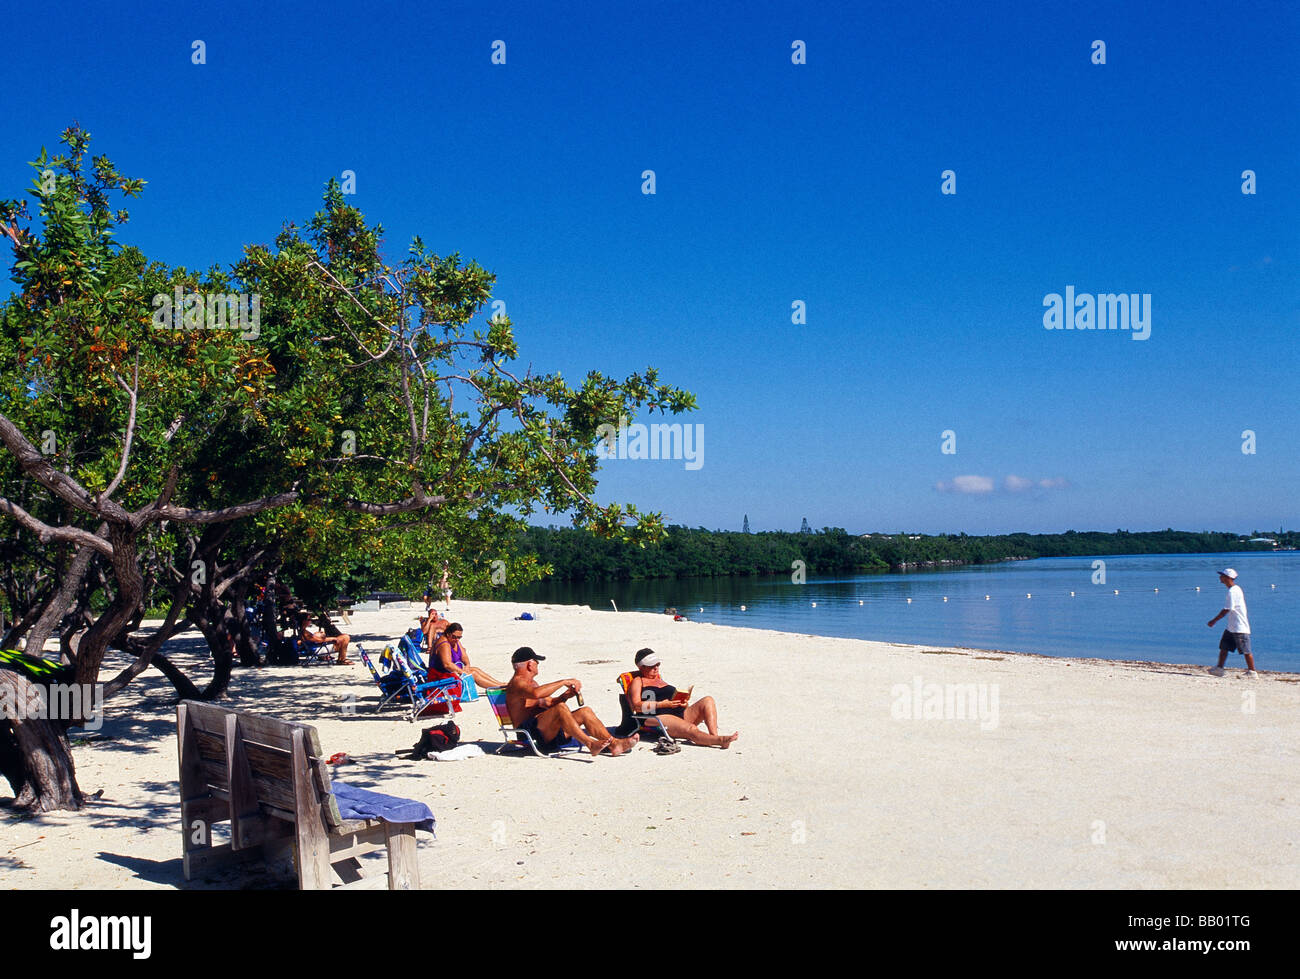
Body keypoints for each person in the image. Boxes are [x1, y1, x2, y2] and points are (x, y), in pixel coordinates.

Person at [505, 648, 637, 756]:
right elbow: (536, 694)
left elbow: (549, 703)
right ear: (530, 664)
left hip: (545, 730)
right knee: (561, 708)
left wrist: (565, 695)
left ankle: (614, 744)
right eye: (537, 662)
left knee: (585, 711)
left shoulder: (531, 683)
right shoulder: (517, 683)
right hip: (530, 733)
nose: (538, 665)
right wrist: (563, 682)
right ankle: (590, 744)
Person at [626, 648, 738, 748]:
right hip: (657, 718)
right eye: (651, 666)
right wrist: (662, 705)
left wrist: (684, 703)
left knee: (708, 700)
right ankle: (720, 741)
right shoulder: (638, 681)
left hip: (678, 714)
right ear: (641, 667)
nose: (656, 668)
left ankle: (714, 736)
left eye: (658, 664)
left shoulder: (660, 680)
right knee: (691, 729)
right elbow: (637, 706)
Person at [1207, 568, 1256, 678]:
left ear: (1228, 578)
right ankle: (1219, 668)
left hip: (1239, 626)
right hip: (1231, 626)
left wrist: (1214, 621)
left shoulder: (1233, 591)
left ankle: (1252, 672)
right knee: (1224, 647)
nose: (1220, 577)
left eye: (1222, 575)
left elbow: (1227, 609)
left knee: (1246, 650)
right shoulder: (1234, 589)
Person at [430, 622, 505, 689]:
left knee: (475, 669)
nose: (457, 639)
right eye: (454, 636)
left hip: (450, 672)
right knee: (473, 674)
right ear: (448, 634)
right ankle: (498, 687)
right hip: (441, 676)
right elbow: (447, 664)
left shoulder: (455, 641)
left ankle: (501, 684)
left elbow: (464, 656)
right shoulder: (444, 644)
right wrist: (463, 672)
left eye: (459, 637)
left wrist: (467, 665)